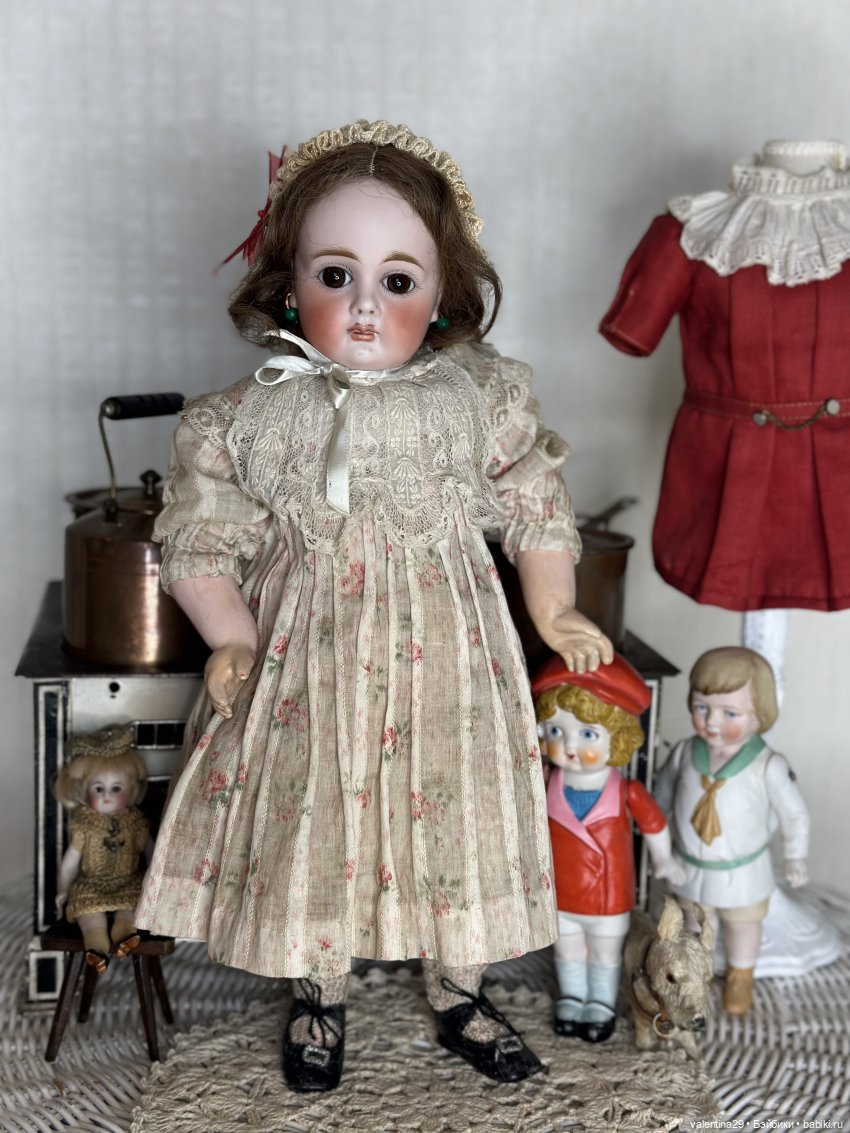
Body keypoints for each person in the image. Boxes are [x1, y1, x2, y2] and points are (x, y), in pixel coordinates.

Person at [135, 120, 613, 1090]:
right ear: (287, 284)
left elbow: (534, 502)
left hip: (451, 647)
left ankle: (460, 984)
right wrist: (230, 635)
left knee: (454, 802)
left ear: (442, 295)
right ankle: (319, 989)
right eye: (334, 274)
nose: (363, 305)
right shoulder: (248, 413)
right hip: (307, 648)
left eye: (397, 280)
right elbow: (200, 537)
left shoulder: (478, 396)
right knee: (316, 804)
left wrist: (554, 607)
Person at [533, 653, 683, 1042]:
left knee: (603, 952)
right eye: (556, 731)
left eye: (587, 735)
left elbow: (654, 825)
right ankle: (572, 997)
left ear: (616, 737)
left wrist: (664, 860)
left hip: (607, 897)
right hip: (562, 893)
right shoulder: (546, 784)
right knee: (567, 949)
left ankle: (600, 1002)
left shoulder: (626, 791)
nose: (568, 746)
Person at [653, 646, 809, 1014]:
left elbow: (795, 814)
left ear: (759, 715)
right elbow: (661, 798)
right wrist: (658, 845)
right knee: (693, 925)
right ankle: (697, 973)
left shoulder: (768, 765)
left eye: (730, 713)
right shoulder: (684, 754)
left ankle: (741, 974)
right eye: (701, 707)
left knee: (743, 925)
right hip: (690, 866)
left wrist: (795, 855)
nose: (712, 722)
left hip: (743, 871)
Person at [54, 724, 151, 973]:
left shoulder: (136, 824)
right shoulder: (84, 825)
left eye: (116, 789)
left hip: (128, 880)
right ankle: (96, 948)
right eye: (99, 788)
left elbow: (152, 854)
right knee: (88, 912)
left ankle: (124, 936)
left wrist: (155, 880)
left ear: (132, 791)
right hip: (93, 883)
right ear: (86, 791)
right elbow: (70, 862)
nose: (107, 795)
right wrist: (63, 889)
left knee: (130, 907)